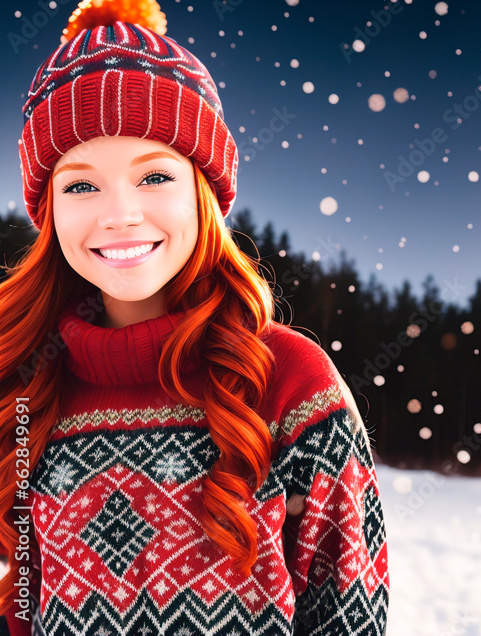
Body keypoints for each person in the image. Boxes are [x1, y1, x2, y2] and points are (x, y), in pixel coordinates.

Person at [0, 1, 389, 634]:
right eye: (79, 185)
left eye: (153, 176)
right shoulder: (27, 389)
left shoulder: (291, 382)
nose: (118, 213)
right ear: (48, 214)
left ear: (202, 193)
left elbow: (352, 619)